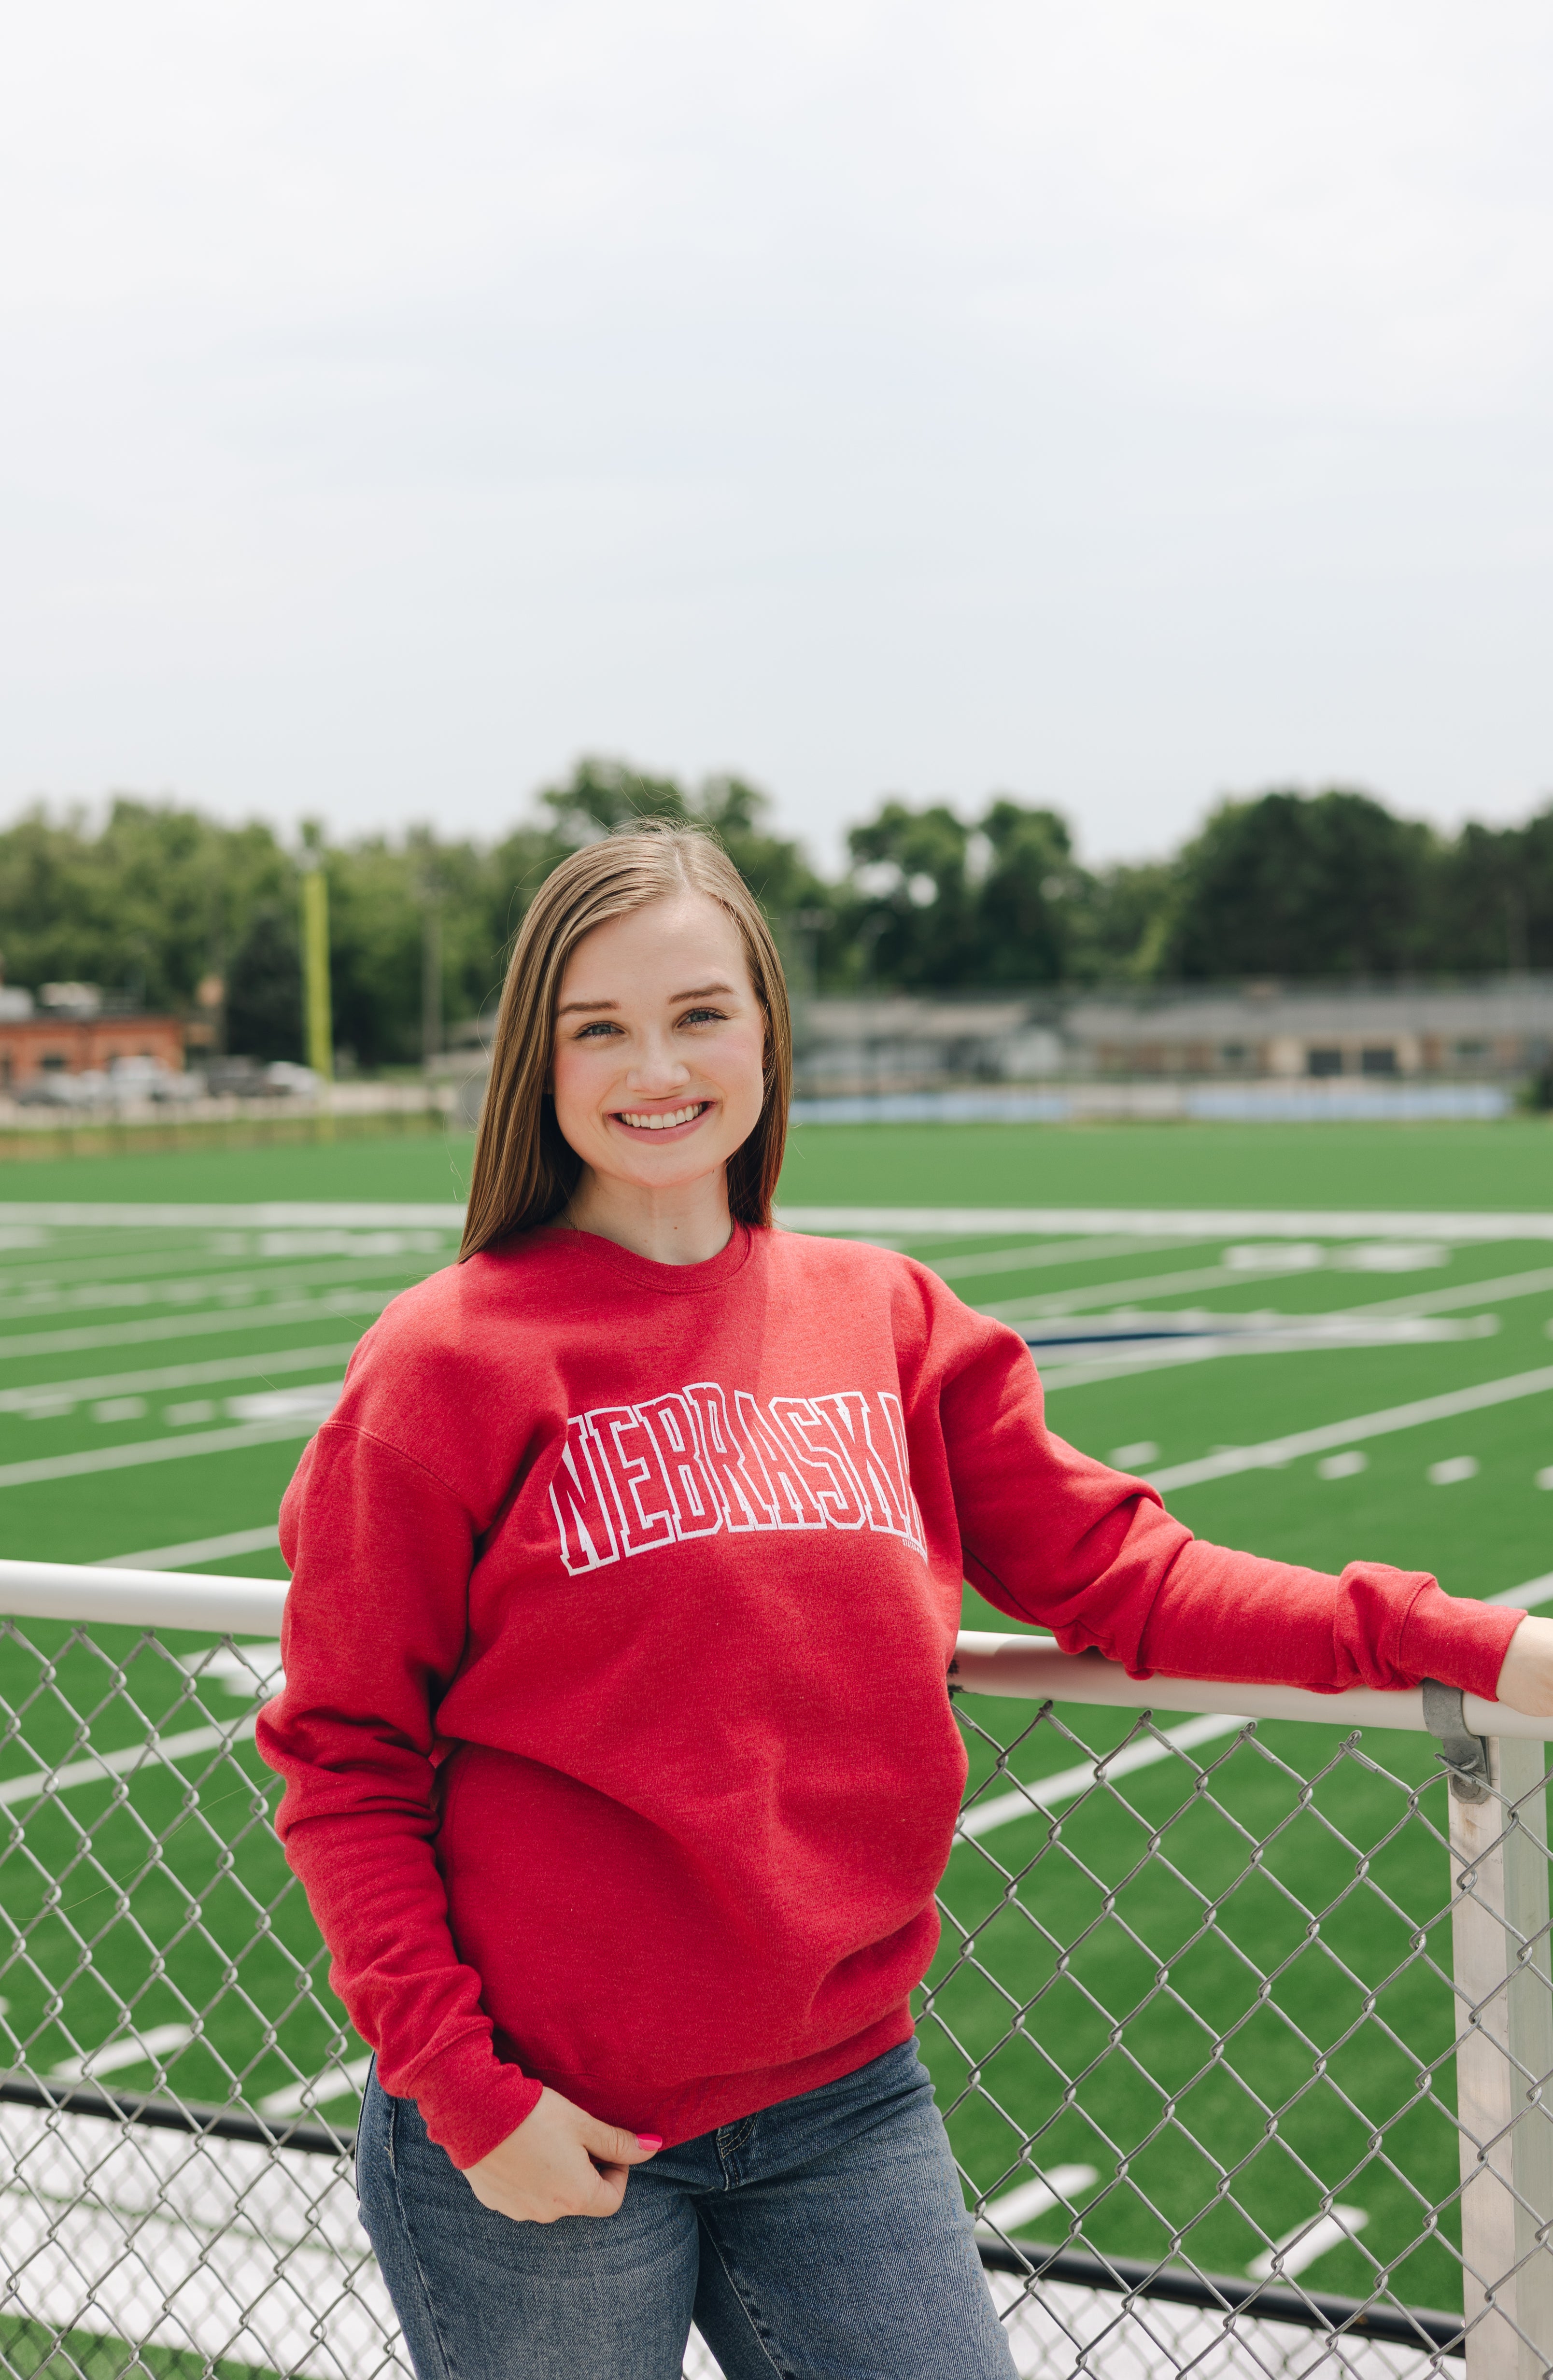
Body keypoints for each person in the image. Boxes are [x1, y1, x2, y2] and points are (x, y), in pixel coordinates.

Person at [256, 823, 1553, 2380]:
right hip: (551, 2119)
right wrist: (473, 2096)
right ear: (536, 1055)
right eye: (596, 1025)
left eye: (698, 1013)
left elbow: (1124, 1576)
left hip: (842, 2097)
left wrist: (1472, 1641)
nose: (653, 1066)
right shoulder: (444, 1361)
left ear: (766, 1030)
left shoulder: (882, 1312)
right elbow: (344, 1757)